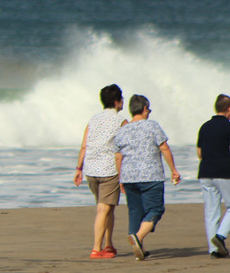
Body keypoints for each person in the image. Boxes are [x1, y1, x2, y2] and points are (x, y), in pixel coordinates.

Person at [113, 95, 181, 261]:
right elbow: (164, 147)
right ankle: (138, 238)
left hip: (129, 176)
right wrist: (173, 169)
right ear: (144, 109)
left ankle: (139, 250)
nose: (149, 112)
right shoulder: (152, 126)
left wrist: (120, 178)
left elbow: (118, 156)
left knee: (135, 212)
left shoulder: (123, 129)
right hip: (151, 175)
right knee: (156, 209)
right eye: (148, 109)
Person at [73, 84, 128, 259]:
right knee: (103, 209)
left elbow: (84, 145)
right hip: (109, 170)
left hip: (91, 169)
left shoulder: (93, 119)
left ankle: (108, 244)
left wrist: (78, 168)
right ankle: (96, 248)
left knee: (107, 208)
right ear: (117, 101)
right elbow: (127, 147)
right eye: (122, 99)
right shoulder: (121, 121)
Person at [196, 94, 230, 258]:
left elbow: (199, 152)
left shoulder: (205, 126)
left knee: (211, 212)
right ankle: (220, 236)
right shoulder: (228, 127)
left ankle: (214, 249)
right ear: (229, 109)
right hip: (224, 172)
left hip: (205, 172)